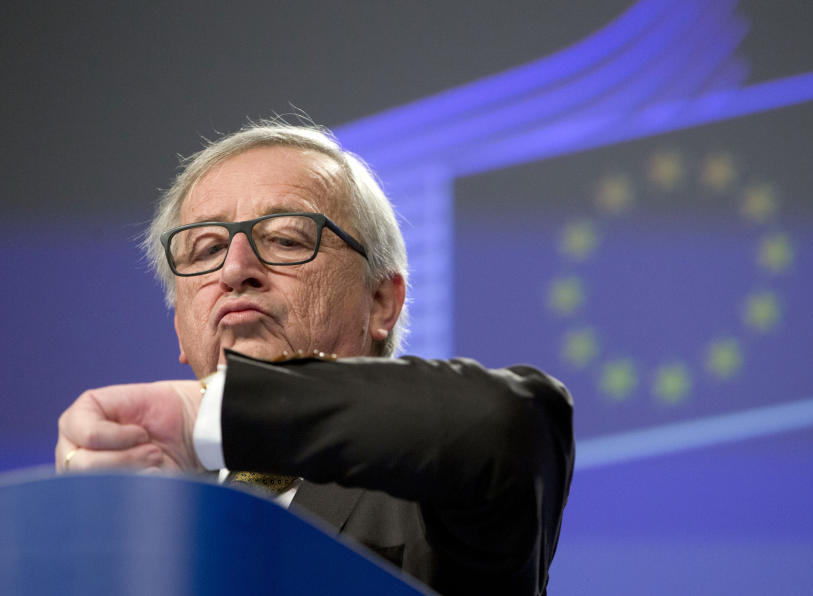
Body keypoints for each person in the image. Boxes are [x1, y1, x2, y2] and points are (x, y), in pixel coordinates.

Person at [54, 120, 575, 596]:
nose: (235, 269)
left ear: (381, 303)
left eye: (285, 238)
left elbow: (502, 423)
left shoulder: (431, 496)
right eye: (206, 249)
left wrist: (214, 411)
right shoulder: (146, 527)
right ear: (180, 328)